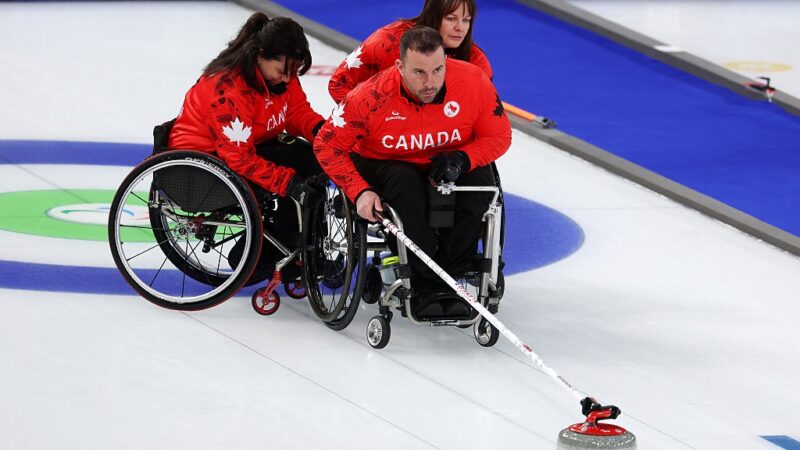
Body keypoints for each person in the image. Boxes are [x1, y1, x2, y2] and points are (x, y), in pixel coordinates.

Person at [314, 26, 511, 319]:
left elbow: (499, 136)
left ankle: (449, 275)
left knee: (479, 181)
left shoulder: (473, 81)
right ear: (400, 67)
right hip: (385, 161)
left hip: (444, 159)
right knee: (404, 182)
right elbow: (326, 145)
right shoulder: (370, 97)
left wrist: (463, 158)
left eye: (437, 70)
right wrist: (359, 190)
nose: (429, 82)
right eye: (419, 72)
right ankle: (425, 282)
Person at [167, 12, 327, 208]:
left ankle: (306, 235)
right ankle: (283, 237)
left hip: (248, 146)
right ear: (260, 55)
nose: (287, 79)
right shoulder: (230, 92)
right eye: (281, 71)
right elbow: (239, 159)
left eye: (292, 72)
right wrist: (289, 184)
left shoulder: (281, 75)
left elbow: (296, 112)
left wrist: (324, 133)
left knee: (313, 156)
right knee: (293, 175)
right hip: (200, 167)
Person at [327, 0, 492, 103]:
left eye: (466, 20)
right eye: (451, 19)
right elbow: (339, 85)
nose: (460, 28)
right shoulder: (387, 42)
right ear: (433, 16)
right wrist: (372, 128)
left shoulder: (476, 60)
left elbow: (485, 116)